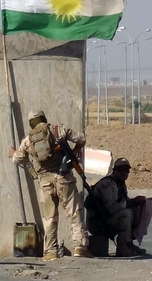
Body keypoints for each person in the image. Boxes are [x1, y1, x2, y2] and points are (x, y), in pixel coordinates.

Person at [9, 110, 92, 261]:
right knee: (74, 213)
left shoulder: (28, 140)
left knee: (49, 217)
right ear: (43, 118)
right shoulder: (58, 130)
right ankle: (80, 247)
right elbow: (81, 138)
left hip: (44, 182)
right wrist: (77, 149)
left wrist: (13, 153)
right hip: (64, 178)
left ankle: (51, 251)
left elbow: (17, 159)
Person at [87, 158, 147, 257]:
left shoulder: (120, 185)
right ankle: (122, 247)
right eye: (121, 169)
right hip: (97, 223)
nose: (124, 173)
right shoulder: (108, 184)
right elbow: (113, 208)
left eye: (126, 170)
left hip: (106, 220)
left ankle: (128, 243)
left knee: (135, 210)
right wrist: (132, 202)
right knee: (127, 214)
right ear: (114, 170)